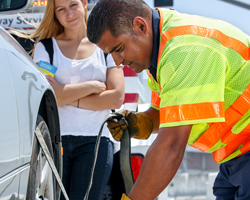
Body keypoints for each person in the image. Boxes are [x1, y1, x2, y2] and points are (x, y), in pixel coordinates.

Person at [87, 0, 250, 199]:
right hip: (237, 156)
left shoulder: (185, 51)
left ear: (140, 26)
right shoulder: (162, 50)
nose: (117, 61)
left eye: (119, 48)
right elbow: (169, 115)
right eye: (110, 53)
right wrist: (140, 123)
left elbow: (171, 145)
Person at [31, 0, 125, 199]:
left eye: (73, 5)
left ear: (84, 3)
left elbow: (116, 97)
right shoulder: (46, 48)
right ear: (55, 14)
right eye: (61, 9)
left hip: (97, 142)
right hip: (56, 141)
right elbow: (49, 96)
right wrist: (90, 87)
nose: (69, 13)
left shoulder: (105, 47)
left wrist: (67, 97)